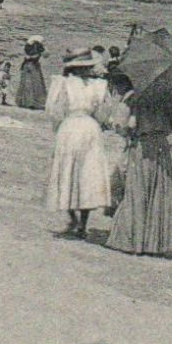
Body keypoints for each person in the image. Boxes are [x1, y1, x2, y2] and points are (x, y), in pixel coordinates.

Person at [107, 73, 172, 256]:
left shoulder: (135, 99)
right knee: (161, 190)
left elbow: (124, 126)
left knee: (138, 190)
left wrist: (123, 129)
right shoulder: (167, 99)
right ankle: (159, 241)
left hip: (142, 148)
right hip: (161, 148)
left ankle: (136, 241)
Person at [44, 52, 115, 238]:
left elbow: (55, 112)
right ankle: (82, 224)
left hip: (70, 128)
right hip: (90, 130)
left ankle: (71, 215)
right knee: (88, 175)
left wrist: (58, 128)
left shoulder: (63, 84)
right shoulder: (100, 86)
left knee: (67, 170)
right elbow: (103, 115)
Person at [16, 36, 48, 110]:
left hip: (29, 66)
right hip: (32, 66)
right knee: (34, 84)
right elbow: (44, 55)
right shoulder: (35, 48)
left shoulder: (28, 47)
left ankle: (27, 102)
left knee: (29, 84)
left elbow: (30, 57)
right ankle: (32, 103)